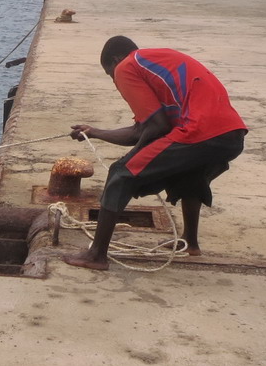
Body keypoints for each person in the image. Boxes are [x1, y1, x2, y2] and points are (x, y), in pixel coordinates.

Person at [63, 36, 247, 270]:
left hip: (200, 131)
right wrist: (95, 132)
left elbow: (155, 126)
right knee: (190, 174)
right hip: (230, 135)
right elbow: (141, 129)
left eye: (110, 74)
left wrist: (132, 160)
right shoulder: (156, 61)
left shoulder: (127, 65)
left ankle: (96, 255)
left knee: (120, 173)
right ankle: (190, 243)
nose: (115, 81)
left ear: (115, 60)